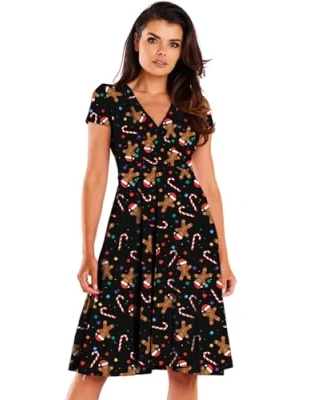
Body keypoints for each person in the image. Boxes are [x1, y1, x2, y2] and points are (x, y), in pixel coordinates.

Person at [65, 1, 237, 399]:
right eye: (154, 40)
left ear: (182, 51)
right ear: (136, 42)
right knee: (96, 361)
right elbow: (95, 177)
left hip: (190, 245)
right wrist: (88, 251)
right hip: (129, 240)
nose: (162, 52)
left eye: (173, 44)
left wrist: (224, 258)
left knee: (186, 369)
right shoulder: (109, 99)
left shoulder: (194, 106)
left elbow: (210, 186)